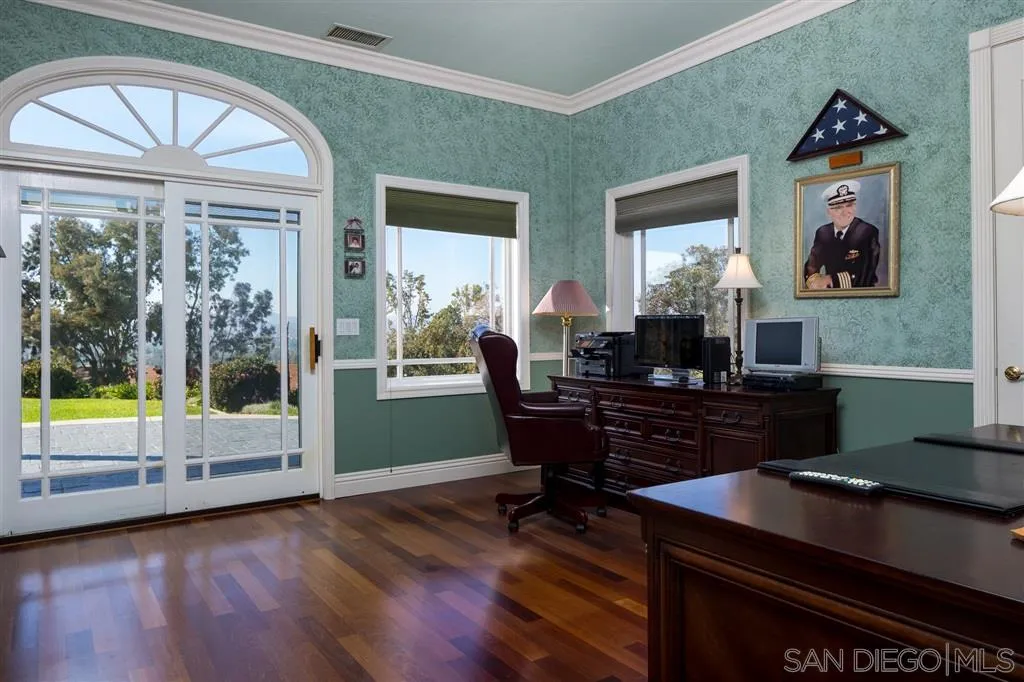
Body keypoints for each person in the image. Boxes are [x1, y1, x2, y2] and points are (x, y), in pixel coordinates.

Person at [803, 179, 881, 290]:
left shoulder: (867, 232)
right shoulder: (823, 233)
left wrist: (831, 280)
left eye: (849, 205)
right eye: (838, 207)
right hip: (828, 294)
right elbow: (811, 265)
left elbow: (865, 276)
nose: (845, 212)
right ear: (829, 212)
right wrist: (813, 282)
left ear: (855, 207)